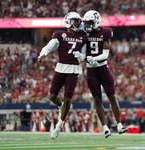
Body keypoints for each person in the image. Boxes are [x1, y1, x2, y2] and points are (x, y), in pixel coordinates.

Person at [38, 12, 87, 139]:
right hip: (61, 67)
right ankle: (60, 107)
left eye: (78, 21)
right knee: (53, 96)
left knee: (67, 98)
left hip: (74, 69)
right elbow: (49, 46)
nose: (78, 23)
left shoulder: (83, 36)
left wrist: (82, 56)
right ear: (68, 22)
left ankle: (59, 125)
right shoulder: (59, 34)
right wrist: (44, 52)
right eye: (75, 21)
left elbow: (85, 54)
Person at [82, 10, 128, 138]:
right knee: (97, 99)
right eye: (86, 23)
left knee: (112, 96)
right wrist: (83, 56)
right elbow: (83, 51)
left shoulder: (106, 32)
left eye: (89, 23)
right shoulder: (84, 33)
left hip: (102, 68)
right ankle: (105, 128)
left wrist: (93, 58)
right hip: (91, 70)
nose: (87, 25)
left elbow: (105, 54)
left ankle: (119, 125)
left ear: (96, 22)